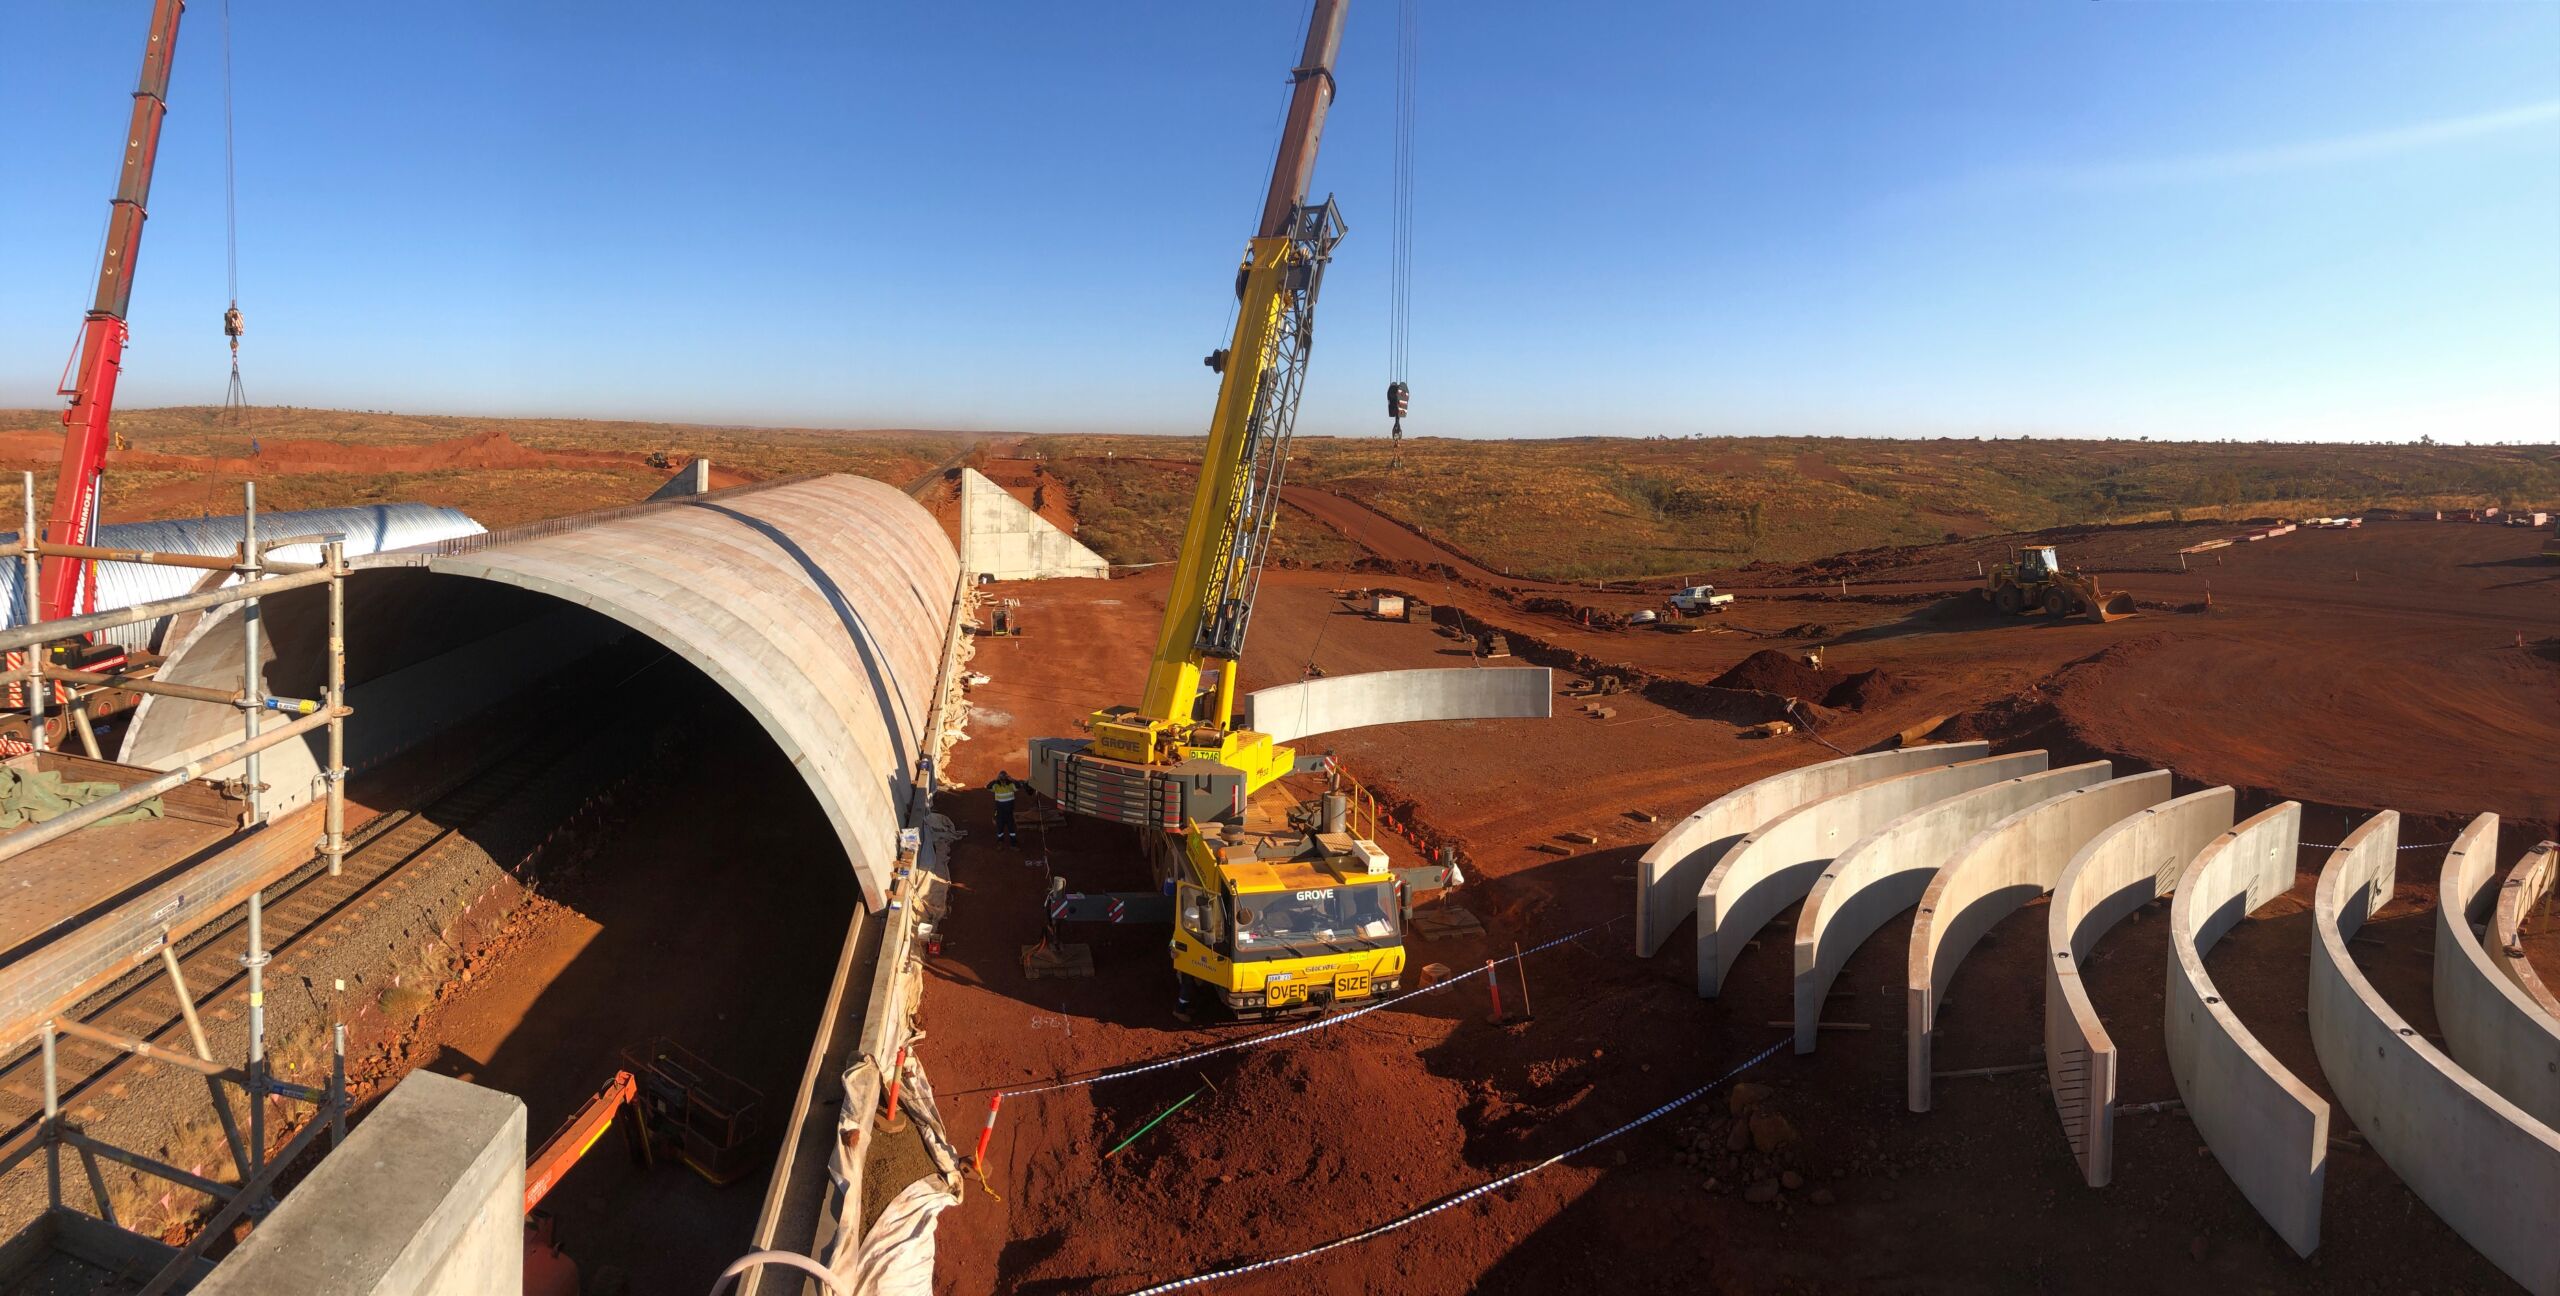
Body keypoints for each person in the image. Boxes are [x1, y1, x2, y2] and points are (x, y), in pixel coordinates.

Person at [990, 770, 1018, 844]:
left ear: (1007, 779)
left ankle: (1013, 844)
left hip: (1009, 813)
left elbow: (1018, 786)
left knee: (1012, 830)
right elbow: (988, 787)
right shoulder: (996, 786)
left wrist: (1013, 780)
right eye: (1001, 779)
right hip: (1000, 813)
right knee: (1000, 830)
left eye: (1004, 778)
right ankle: (1000, 843)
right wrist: (995, 781)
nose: (1003, 781)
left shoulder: (1011, 785)